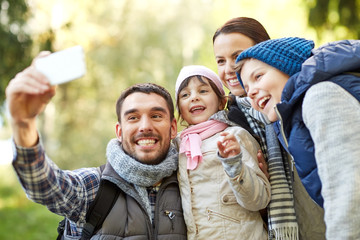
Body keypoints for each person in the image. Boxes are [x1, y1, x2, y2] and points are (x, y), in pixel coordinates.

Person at [6, 52, 187, 239]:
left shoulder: (190, 184)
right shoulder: (95, 186)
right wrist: (24, 123)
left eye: (156, 116)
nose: (145, 126)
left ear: (173, 128)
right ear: (119, 132)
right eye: (133, 118)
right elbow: (43, 185)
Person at [235, 37, 360, 239]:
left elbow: (348, 193)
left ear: (285, 65)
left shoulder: (321, 97)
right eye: (247, 89)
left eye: (258, 77)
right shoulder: (291, 120)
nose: (252, 93)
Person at [213, 17, 307, 240]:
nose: (229, 69)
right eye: (220, 60)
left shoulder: (295, 100)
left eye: (237, 57)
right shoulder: (227, 120)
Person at [174, 65, 271, 240]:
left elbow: (259, 200)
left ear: (221, 102)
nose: (194, 98)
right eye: (185, 95)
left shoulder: (235, 136)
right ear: (180, 109)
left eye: (203, 91)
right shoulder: (178, 146)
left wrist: (234, 163)